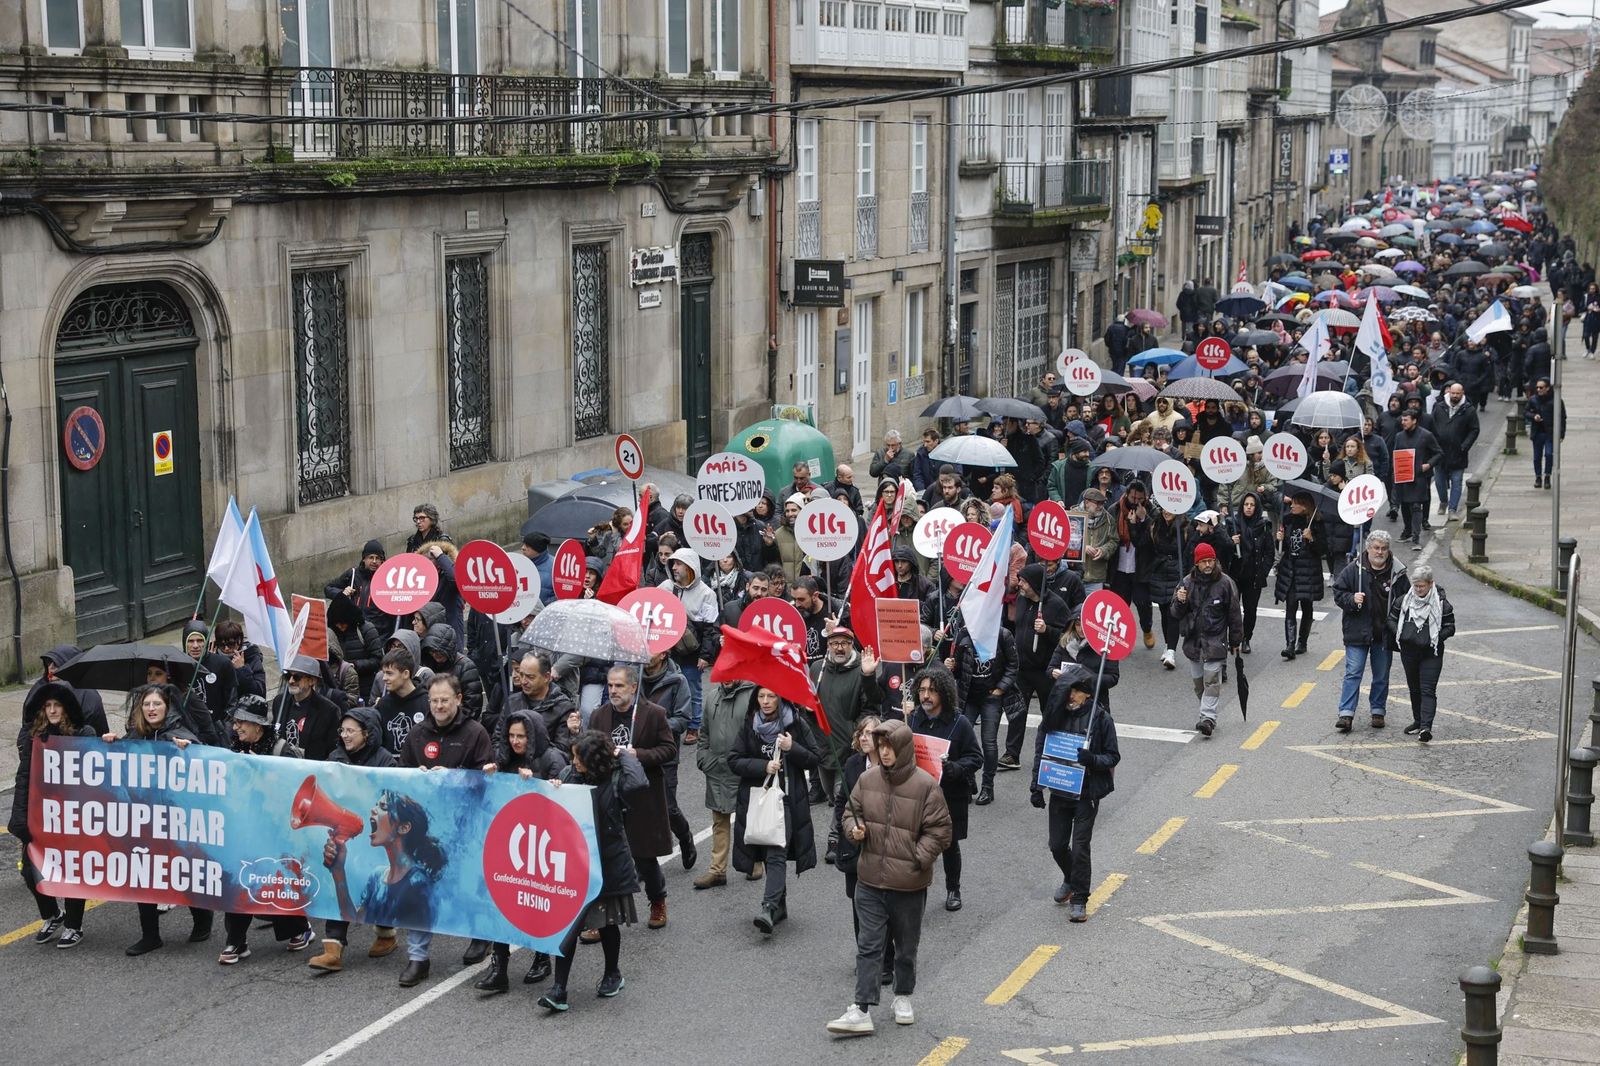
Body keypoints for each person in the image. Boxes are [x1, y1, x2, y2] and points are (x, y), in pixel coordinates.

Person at [830, 720, 953, 1037]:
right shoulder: (866, 780)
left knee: (905, 948)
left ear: (902, 749)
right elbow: (849, 812)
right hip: (869, 881)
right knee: (868, 946)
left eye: (889, 746)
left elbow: (940, 832)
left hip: (909, 886)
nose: (884, 752)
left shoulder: (926, 786)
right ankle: (862, 1008)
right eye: (880, 746)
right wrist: (853, 831)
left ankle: (902, 997)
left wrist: (918, 859)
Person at [537, 731, 646, 1012]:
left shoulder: (618, 778)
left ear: (595, 760)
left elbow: (638, 784)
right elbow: (552, 799)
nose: (574, 763)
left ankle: (613, 973)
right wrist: (555, 787)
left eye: (579, 757)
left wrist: (622, 754)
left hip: (608, 862)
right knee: (569, 927)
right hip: (576, 864)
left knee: (607, 923)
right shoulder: (571, 774)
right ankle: (559, 988)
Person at [395, 675, 493, 984]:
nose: (438, 706)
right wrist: (417, 775)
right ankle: (418, 957)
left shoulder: (476, 733)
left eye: (444, 700)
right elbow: (401, 777)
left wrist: (452, 777)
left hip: (465, 825)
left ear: (459, 699)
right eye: (434, 701)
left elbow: (487, 779)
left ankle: (479, 933)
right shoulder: (416, 735)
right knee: (419, 886)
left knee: (466, 883)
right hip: (425, 828)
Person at [104, 684, 213, 955]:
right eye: (146, 705)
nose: (151, 709)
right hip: (145, 817)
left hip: (176, 817)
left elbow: (203, 767)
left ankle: (202, 918)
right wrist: (110, 745)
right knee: (144, 873)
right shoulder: (135, 735)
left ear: (168, 707)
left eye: (157, 704)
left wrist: (188, 750)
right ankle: (150, 935)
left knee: (182, 870)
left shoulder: (179, 734)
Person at [473, 710, 566, 994]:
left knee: (536, 902)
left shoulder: (551, 758)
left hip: (540, 845)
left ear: (533, 735)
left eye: (521, 736)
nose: (515, 741)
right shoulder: (503, 761)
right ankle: (499, 966)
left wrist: (538, 780)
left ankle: (542, 958)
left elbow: (563, 799)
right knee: (499, 903)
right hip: (509, 841)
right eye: (511, 735)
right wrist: (490, 776)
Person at [219, 696, 314, 964]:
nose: (236, 727)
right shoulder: (232, 749)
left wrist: (262, 773)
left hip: (277, 831)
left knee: (277, 881)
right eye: (235, 722)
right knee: (239, 880)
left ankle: (300, 929)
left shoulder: (283, 752)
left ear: (259, 727)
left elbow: (297, 791)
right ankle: (235, 942)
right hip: (243, 828)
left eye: (242, 722)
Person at [322, 788, 447, 987]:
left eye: (382, 807)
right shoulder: (377, 876)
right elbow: (356, 918)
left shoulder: (418, 881)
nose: (373, 810)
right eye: (376, 805)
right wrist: (338, 871)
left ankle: (419, 959)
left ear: (404, 828)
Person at [308, 706, 401, 974]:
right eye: (343, 730)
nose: (345, 735)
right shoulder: (335, 757)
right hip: (352, 835)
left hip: (374, 836)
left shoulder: (385, 761)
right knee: (336, 872)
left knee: (378, 884)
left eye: (351, 730)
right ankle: (333, 947)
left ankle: (385, 934)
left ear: (367, 733)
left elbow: (392, 795)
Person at [587, 665, 678, 930]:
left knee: (643, 855)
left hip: (641, 794)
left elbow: (669, 749)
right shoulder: (598, 716)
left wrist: (639, 754)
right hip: (609, 793)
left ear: (633, 687)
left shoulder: (653, 714)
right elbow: (589, 749)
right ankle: (600, 915)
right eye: (610, 685)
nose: (613, 691)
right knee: (603, 854)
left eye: (619, 686)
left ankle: (657, 898)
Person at [1029, 664, 1120, 922]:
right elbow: (1042, 751)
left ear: (1087, 694)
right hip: (1060, 791)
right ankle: (1070, 878)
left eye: (1076, 692)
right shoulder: (1056, 716)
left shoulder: (1101, 719)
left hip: (1087, 793)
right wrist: (1037, 784)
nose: (1071, 697)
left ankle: (1080, 898)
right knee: (1057, 845)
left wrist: (1091, 759)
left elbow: (1113, 756)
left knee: (1080, 847)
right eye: (1068, 691)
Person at [730, 686, 822, 935]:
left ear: (781, 698)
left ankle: (768, 907)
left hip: (788, 800)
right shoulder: (750, 724)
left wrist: (793, 748)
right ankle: (780, 905)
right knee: (767, 850)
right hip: (759, 800)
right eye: (761, 696)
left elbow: (815, 758)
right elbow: (734, 760)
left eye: (771, 696)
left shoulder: (796, 723)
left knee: (776, 853)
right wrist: (763, 766)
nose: (766, 701)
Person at [11, 681, 96, 948]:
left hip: (72, 815)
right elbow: (24, 778)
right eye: (47, 706)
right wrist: (19, 817)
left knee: (72, 870)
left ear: (66, 708)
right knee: (30, 870)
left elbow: (96, 775)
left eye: (57, 705)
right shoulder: (35, 737)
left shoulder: (84, 733)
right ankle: (51, 915)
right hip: (42, 816)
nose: (52, 710)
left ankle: (74, 925)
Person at [904, 665, 982, 912]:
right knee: (915, 841)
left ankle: (953, 889)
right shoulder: (913, 718)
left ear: (944, 694)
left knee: (949, 844)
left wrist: (955, 769)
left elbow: (975, 757)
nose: (926, 695)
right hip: (918, 795)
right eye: (922, 690)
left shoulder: (960, 724)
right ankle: (914, 889)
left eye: (932, 691)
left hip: (949, 794)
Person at [1332, 531, 1406, 734]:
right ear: (1368, 548)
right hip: (1357, 632)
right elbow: (1338, 592)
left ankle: (1378, 710)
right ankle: (1346, 714)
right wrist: (1351, 599)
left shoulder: (1397, 572)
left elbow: (1407, 599)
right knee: (1353, 673)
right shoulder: (1353, 570)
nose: (1379, 552)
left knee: (1381, 675)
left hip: (1383, 634)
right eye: (1376, 548)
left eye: (1383, 548)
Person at [1171, 541, 1243, 737]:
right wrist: (1180, 600)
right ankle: (1207, 712)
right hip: (1194, 643)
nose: (1208, 565)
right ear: (1197, 564)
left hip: (1215, 641)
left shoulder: (1225, 583)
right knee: (1199, 684)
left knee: (1212, 680)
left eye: (1211, 560)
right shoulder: (1186, 583)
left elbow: (1234, 614)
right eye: (1204, 561)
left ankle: (1208, 718)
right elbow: (1175, 613)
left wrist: (1236, 641)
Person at [696, 679, 758, 890]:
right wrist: (703, 758)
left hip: (742, 768)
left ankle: (754, 861)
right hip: (716, 769)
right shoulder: (712, 696)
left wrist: (752, 763)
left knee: (748, 818)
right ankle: (717, 870)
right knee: (719, 819)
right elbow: (703, 732)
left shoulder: (752, 695)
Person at [641, 650, 699, 868]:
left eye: (652, 649)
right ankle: (646, 861)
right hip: (638, 752)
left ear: (664, 654)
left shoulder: (677, 681)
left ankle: (684, 836)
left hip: (665, 753)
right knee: (641, 809)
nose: (646, 653)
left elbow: (683, 719)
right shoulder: (633, 677)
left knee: (667, 806)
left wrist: (657, 726)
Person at [1389, 564, 1455, 743]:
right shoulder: (1403, 601)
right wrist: (1402, 635)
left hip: (1431, 653)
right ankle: (1417, 721)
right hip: (1409, 652)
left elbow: (1450, 628)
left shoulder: (1442, 604)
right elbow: (1391, 620)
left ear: (1430, 584)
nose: (1418, 589)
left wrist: (1433, 638)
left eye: (1421, 586)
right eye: (1415, 586)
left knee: (1427, 689)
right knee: (1414, 688)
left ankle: (1426, 727)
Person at [1274, 491, 1325, 660]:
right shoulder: (1288, 520)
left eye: (1296, 503)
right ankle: (1290, 645)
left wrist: (1311, 539)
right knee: (1290, 605)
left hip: (1308, 570)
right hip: (1291, 570)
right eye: (1292, 503)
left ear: (1305, 506)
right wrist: (1279, 539)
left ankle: (1302, 642)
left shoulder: (1315, 523)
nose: (1292, 506)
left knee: (1307, 606)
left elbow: (1323, 550)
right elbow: (1283, 548)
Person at [1226, 491, 1274, 654]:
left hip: (1254, 575)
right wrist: (1231, 543)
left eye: (1252, 505)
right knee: (1231, 610)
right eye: (1246, 504)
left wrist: (1264, 571)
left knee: (1250, 610)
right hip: (1235, 575)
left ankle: (1246, 638)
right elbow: (1222, 549)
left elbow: (1269, 552)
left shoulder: (1264, 526)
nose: (1248, 507)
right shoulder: (1232, 523)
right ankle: (1232, 639)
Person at [1391, 408, 1441, 546]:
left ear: (1414, 421)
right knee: (1405, 506)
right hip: (1403, 476)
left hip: (1419, 477)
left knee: (1416, 506)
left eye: (1406, 420)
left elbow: (1438, 453)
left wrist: (1428, 465)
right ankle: (1407, 530)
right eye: (1402, 420)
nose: (1403, 422)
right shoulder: (1399, 436)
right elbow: (1395, 453)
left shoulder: (1426, 435)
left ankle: (1416, 536)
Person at [278, 654, 342, 761]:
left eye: (297, 677)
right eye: (288, 676)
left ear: (312, 681)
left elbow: (332, 749)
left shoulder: (328, 710)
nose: (291, 681)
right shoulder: (279, 702)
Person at [1431, 382, 1479, 521]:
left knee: (1457, 481)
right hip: (1440, 452)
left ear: (1462, 393)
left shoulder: (1468, 410)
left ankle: (1452, 509)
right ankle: (1443, 501)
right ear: (1449, 392)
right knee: (1439, 481)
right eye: (1453, 393)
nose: (1455, 396)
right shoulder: (1439, 407)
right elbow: (1432, 425)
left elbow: (1474, 430)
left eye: (1458, 393)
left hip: (1458, 454)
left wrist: (1464, 446)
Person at [325, 539, 389, 631]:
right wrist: (342, 593)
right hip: (355, 629)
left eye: (378, 558)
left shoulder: (387, 578)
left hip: (378, 631)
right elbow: (328, 588)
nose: (374, 561)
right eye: (371, 557)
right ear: (364, 559)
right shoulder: (353, 574)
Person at [1525, 376, 1565, 489]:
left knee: (1549, 454)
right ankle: (1538, 477)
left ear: (1547, 388)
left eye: (1541, 387)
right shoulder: (1533, 400)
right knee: (1537, 457)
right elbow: (1526, 412)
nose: (1538, 390)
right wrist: (1534, 416)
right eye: (1537, 387)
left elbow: (1562, 418)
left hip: (1550, 433)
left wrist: (1561, 434)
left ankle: (1547, 475)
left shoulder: (1556, 401)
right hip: (1537, 432)